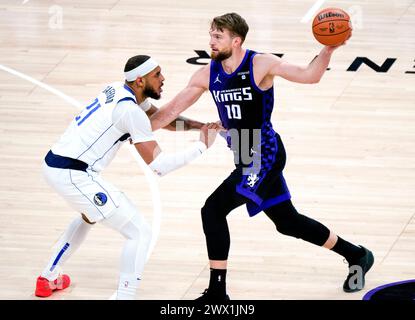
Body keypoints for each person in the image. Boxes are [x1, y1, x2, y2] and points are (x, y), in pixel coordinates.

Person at [150, 13, 374, 301]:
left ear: (236, 40)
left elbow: (310, 76)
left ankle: (217, 293)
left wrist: (328, 49)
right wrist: (132, 126)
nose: (211, 41)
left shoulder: (261, 64)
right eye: (211, 35)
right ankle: (357, 254)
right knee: (288, 222)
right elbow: (168, 112)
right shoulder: (207, 74)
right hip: (243, 153)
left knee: (213, 210)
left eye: (218, 36)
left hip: (264, 154)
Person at [35, 55, 220, 299]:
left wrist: (201, 126)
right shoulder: (129, 111)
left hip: (57, 164)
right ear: (141, 81)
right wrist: (202, 146)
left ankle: (47, 278)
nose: (163, 78)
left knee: (89, 216)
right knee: (139, 232)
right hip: (73, 174)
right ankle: (125, 296)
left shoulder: (119, 89)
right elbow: (160, 166)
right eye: (157, 75)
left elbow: (163, 120)